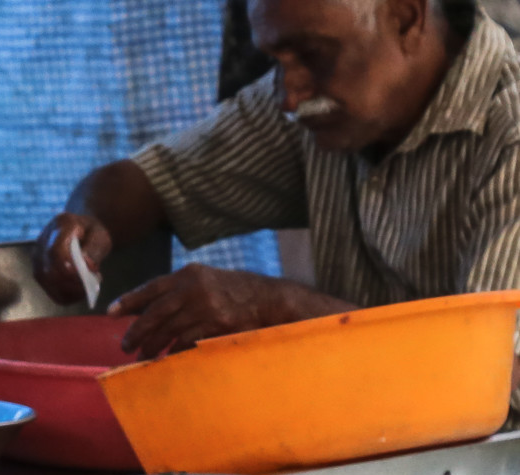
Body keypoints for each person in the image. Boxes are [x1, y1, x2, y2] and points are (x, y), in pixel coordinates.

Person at [34, 0, 520, 362]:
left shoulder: (510, 131)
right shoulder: (313, 107)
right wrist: (84, 224)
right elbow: (150, 181)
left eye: (314, 54)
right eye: (276, 60)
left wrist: (278, 308)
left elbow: (496, 371)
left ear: (407, 16)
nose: (290, 97)